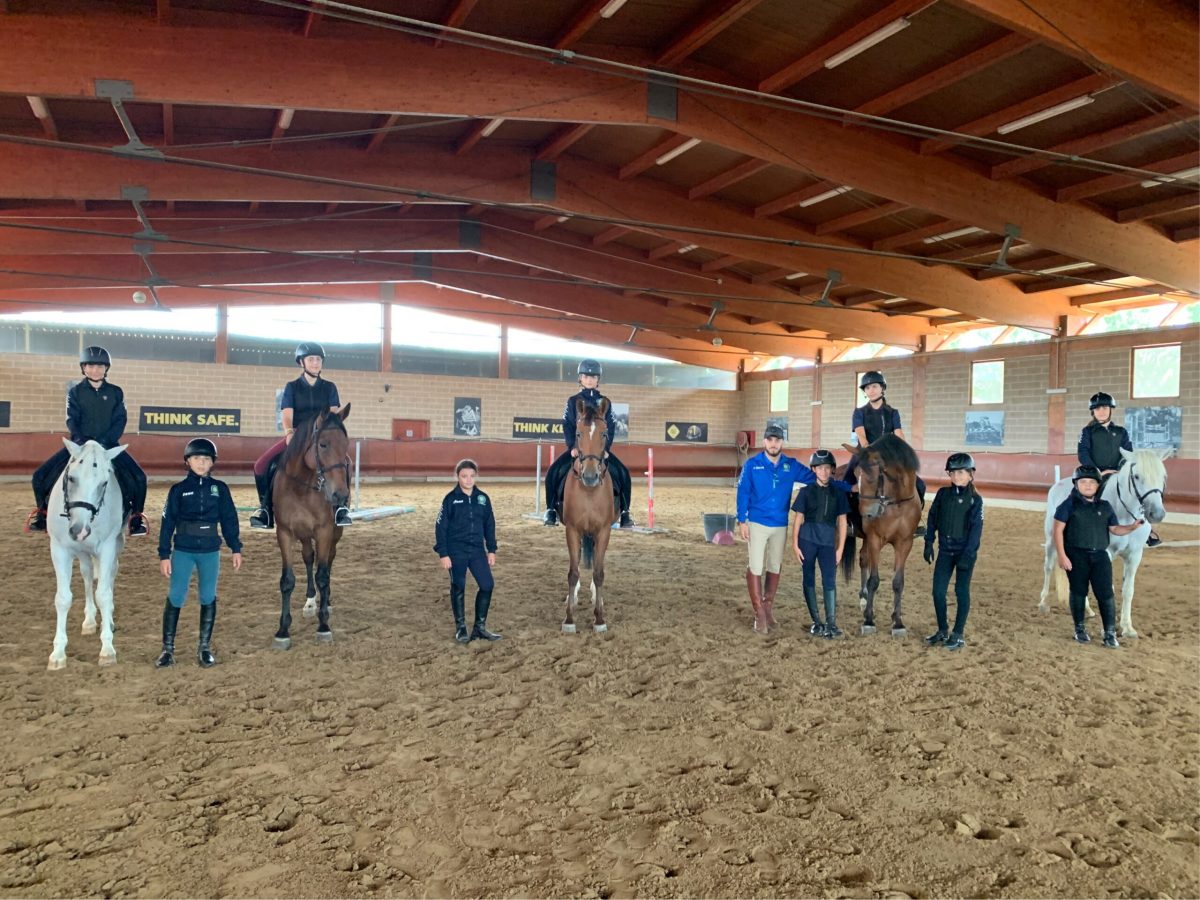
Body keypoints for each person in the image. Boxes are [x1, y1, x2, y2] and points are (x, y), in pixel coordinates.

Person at [737, 423, 850, 635]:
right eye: (770, 440)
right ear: (764, 442)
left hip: (780, 524)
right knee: (756, 565)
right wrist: (742, 520)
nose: (773, 444)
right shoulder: (752, 465)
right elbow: (743, 492)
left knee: (774, 565)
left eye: (777, 440)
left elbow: (818, 479)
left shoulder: (791, 465)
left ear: (782, 442)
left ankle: (768, 607)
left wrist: (848, 488)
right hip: (757, 522)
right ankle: (759, 612)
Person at [27, 346, 149, 537]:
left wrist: (105, 440)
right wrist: (81, 441)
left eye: (100, 366)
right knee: (39, 476)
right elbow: (71, 419)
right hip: (80, 446)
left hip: (108, 445)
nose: (95, 370)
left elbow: (120, 420)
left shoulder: (116, 392)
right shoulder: (75, 392)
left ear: (106, 368)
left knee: (139, 478)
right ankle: (42, 514)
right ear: (83, 368)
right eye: (91, 366)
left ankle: (136, 518)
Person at [156, 438, 243, 668]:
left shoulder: (220, 489)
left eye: (206, 459)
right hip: (183, 550)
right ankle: (167, 649)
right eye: (196, 458)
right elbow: (167, 523)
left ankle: (204, 647)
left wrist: (235, 547)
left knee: (207, 595)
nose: (201, 463)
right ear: (188, 461)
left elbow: (229, 519)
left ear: (212, 462)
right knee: (176, 595)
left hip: (209, 551)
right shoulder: (178, 490)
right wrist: (164, 554)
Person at [249, 341, 352, 529]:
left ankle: (341, 508)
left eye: (318, 359)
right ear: (301, 362)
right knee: (261, 465)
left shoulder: (329, 387)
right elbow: (287, 414)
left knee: (345, 463)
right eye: (311, 359)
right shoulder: (292, 387)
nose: (315, 363)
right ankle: (266, 510)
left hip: (321, 436)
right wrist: (289, 432)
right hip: (298, 436)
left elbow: (332, 414)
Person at [1053, 464, 1145, 648]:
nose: (1088, 485)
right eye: (1083, 482)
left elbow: (1115, 529)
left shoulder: (1105, 506)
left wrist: (1132, 527)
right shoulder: (1067, 505)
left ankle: (1109, 632)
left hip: (1100, 556)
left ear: (1098, 485)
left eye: (1092, 482)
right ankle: (1079, 629)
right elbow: (1057, 531)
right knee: (1079, 592)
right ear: (1076, 484)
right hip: (1077, 555)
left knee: (1106, 594)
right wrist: (1062, 556)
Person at [543, 359, 634, 529]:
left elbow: (610, 426)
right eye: (586, 376)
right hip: (578, 450)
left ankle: (625, 512)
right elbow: (567, 424)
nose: (589, 380)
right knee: (553, 472)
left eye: (593, 377)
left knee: (623, 473)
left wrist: (606, 449)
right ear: (580, 378)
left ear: (598, 379)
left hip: (599, 451)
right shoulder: (573, 401)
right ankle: (551, 510)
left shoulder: (605, 402)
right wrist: (572, 447)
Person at [848, 370, 926, 535]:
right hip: (866, 453)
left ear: (882, 388)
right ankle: (848, 521)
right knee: (846, 479)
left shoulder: (892, 412)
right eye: (867, 388)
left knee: (919, 483)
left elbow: (898, 433)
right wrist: (868, 450)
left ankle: (915, 522)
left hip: (888, 456)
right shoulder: (859, 412)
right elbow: (860, 433)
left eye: (874, 386)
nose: (871, 390)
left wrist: (904, 451)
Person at [1078, 391, 1159, 547]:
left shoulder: (1121, 432)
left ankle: (1146, 529)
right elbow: (1083, 453)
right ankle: (1079, 526)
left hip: (1118, 472)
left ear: (1111, 410)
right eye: (1098, 409)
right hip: (1095, 473)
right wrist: (1097, 472)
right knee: (1081, 494)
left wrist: (1120, 471)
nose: (1101, 411)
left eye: (1105, 408)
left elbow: (1128, 453)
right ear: (1093, 412)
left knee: (1138, 492)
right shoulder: (1087, 432)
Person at [922, 453, 985, 651]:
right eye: (952, 473)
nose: (956, 476)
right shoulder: (943, 494)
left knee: (961, 591)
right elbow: (932, 517)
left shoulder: (975, 500)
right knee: (938, 592)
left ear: (970, 474)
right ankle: (942, 630)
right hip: (945, 552)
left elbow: (976, 530)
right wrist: (929, 541)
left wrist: (968, 555)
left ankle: (958, 634)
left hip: (964, 553)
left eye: (960, 473)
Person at [434, 459, 500, 643]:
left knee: (487, 585)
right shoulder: (450, 499)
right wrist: (443, 553)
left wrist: (491, 549)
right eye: (464, 476)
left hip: (477, 550)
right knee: (458, 586)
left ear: (476, 476)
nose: (468, 480)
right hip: (456, 551)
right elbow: (440, 527)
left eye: (471, 476)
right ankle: (461, 627)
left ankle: (480, 627)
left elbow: (489, 525)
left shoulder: (483, 499)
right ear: (458, 477)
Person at [791, 449, 849, 639]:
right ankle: (817, 622)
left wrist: (840, 549)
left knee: (829, 580)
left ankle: (831, 623)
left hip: (828, 543)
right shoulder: (805, 492)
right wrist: (795, 544)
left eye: (827, 468)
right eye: (820, 468)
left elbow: (842, 522)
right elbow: (798, 519)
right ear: (814, 470)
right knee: (808, 578)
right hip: (807, 541)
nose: (823, 472)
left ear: (832, 470)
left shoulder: (838, 493)